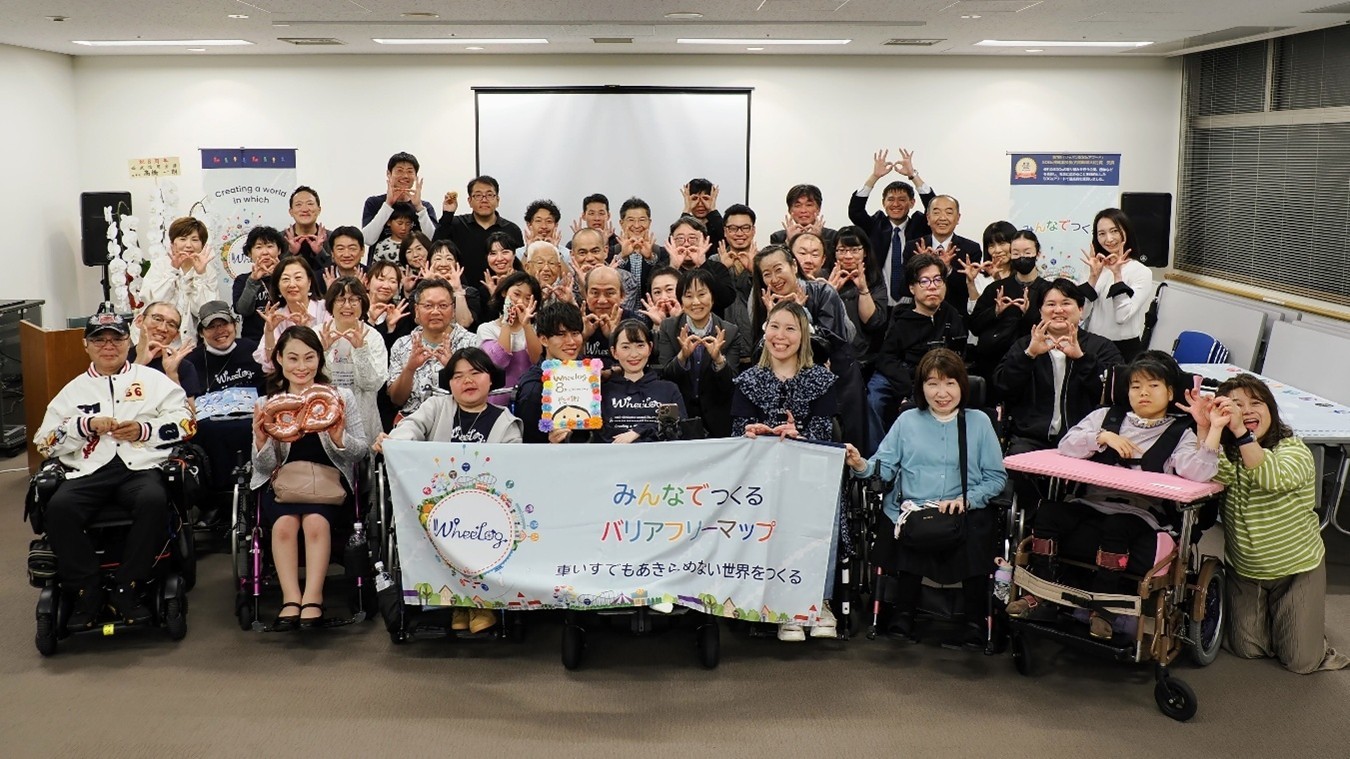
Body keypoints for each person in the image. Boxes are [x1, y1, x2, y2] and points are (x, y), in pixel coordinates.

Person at [1007, 355, 1221, 640]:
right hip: (1091, 503)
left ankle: (1104, 610)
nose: (1143, 392)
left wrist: (1210, 429)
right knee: (1048, 512)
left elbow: (1198, 473)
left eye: (1153, 385)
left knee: (1117, 526)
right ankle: (1041, 593)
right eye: (1135, 386)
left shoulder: (1179, 433)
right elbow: (1066, 445)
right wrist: (1102, 437)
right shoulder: (1105, 417)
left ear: (1170, 393)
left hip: (1139, 512)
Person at [35, 311, 193, 628]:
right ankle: (87, 588)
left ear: (128, 342)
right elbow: (44, 442)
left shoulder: (152, 381)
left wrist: (143, 430)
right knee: (59, 508)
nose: (108, 346)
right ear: (86, 345)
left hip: (140, 466)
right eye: (99, 340)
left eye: (116, 339)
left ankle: (127, 585)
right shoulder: (73, 391)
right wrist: (83, 426)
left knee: (153, 500)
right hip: (89, 469)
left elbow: (186, 423)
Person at [844, 348, 1007, 645]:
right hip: (913, 508)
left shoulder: (980, 422)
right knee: (904, 525)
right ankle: (903, 613)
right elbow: (883, 468)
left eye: (949, 383)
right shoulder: (907, 421)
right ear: (921, 388)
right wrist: (859, 464)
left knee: (979, 527)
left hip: (963, 508)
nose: (941, 393)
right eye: (933, 384)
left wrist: (968, 499)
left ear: (962, 385)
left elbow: (996, 478)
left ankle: (974, 620)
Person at [1200, 374, 1348, 673]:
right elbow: (1207, 472)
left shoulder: (1294, 450)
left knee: (1301, 661)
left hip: (1296, 569)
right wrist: (1206, 426)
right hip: (1246, 570)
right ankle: (1284, 621)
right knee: (1246, 648)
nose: (1246, 411)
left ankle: (1303, 629)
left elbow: (1270, 478)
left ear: (1271, 408)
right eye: (1236, 405)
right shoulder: (1230, 453)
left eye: (1256, 403)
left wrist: (1241, 432)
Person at [374, 346, 523, 634]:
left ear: (490, 379)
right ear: (450, 383)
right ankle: (461, 602)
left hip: (486, 508)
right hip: (435, 505)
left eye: (475, 373)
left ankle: (477, 602)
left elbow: (511, 469)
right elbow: (411, 427)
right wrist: (393, 441)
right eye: (458, 376)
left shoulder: (506, 422)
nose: (467, 380)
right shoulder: (436, 407)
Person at [731, 301, 839, 641]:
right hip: (763, 475)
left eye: (790, 328)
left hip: (809, 473)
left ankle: (819, 601)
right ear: (765, 333)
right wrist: (753, 433)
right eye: (774, 327)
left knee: (826, 506)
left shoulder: (821, 379)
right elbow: (736, 436)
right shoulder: (748, 380)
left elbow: (824, 435)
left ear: (803, 335)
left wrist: (799, 435)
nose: (781, 336)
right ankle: (784, 606)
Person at [251, 326, 367, 630]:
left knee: (315, 521)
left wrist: (340, 439)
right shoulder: (267, 404)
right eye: (293, 358)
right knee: (284, 525)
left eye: (309, 357)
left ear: (319, 359)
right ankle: (291, 599)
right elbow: (262, 466)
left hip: (330, 484)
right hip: (283, 484)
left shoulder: (340, 397)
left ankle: (313, 597)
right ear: (279, 359)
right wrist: (262, 443)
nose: (301, 366)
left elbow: (360, 452)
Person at [751, 242, 863, 447]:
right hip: (783, 385)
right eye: (767, 274)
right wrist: (771, 320)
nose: (774, 279)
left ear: (794, 266)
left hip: (834, 379)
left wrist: (800, 315)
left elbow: (830, 343)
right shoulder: (764, 300)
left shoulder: (823, 292)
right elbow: (759, 352)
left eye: (778, 269)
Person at [995, 278, 1124, 455]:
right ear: (1040, 311)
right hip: (1029, 437)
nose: (1058, 310)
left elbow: (1113, 394)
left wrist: (1082, 359)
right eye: (1050, 304)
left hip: (1084, 438)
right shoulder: (1024, 345)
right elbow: (1003, 388)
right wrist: (1029, 355)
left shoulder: (1102, 347)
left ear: (1081, 309)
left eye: (1066, 303)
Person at [865, 254, 967, 456]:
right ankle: (878, 457)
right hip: (902, 372)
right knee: (873, 399)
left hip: (937, 376)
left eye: (937, 280)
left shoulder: (951, 315)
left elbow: (958, 354)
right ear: (912, 288)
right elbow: (887, 358)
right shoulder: (901, 317)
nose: (932, 287)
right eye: (924, 281)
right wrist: (908, 386)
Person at [185, 300, 264, 502]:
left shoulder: (254, 350)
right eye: (211, 326)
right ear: (201, 332)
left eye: (224, 324)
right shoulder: (191, 361)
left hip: (252, 420)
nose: (220, 331)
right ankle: (214, 500)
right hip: (210, 428)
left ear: (234, 325)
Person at [655, 268, 745, 438]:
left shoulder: (730, 332)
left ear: (712, 297)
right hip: (679, 417)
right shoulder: (668, 327)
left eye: (702, 294)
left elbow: (730, 385)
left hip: (718, 419)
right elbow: (665, 377)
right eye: (688, 296)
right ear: (681, 300)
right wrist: (682, 356)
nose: (695, 302)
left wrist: (718, 359)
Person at [848, 148, 936, 307]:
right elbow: (855, 211)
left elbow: (934, 207)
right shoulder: (875, 225)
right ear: (883, 203)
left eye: (902, 199)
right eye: (890, 199)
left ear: (912, 203)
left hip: (913, 303)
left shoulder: (919, 225)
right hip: (877, 302)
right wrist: (874, 177)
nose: (896, 204)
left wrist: (913, 175)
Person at [387, 278, 481, 417]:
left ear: (453, 310)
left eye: (443, 305)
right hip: (413, 420)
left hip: (459, 419)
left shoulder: (472, 343)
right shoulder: (402, 344)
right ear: (417, 310)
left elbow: (480, 394)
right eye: (428, 306)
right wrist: (410, 368)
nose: (435, 312)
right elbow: (397, 399)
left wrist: (452, 368)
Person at [967, 228, 1052, 383]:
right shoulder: (996, 288)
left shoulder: (1048, 290)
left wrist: (1028, 313)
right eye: (1016, 253)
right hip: (993, 364)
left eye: (1027, 252)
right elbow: (974, 325)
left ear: (1037, 253)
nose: (1022, 257)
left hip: (1035, 365)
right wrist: (995, 311)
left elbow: (1053, 328)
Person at [1082, 207, 1154, 361]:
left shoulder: (1141, 272)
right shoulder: (1094, 267)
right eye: (1102, 234)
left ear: (1126, 231)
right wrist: (1093, 277)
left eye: (1114, 231)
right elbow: (1081, 314)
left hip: (1124, 348)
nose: (1108, 239)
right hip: (1092, 344)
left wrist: (1117, 275)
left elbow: (1122, 316)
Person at [516, 301, 591, 444]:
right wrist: (549, 444)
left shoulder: (589, 372)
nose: (571, 341)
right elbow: (529, 446)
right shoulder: (533, 389)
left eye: (575, 333)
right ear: (544, 340)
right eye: (561, 335)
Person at [322, 277, 389, 439]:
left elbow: (373, 384)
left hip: (364, 419)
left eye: (353, 300)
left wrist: (360, 350)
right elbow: (314, 382)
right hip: (325, 417)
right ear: (331, 303)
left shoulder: (373, 337)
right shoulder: (318, 334)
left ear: (362, 303)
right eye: (340, 299)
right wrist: (324, 351)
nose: (347, 306)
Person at [602, 319, 688, 443]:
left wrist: (640, 431)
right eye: (625, 347)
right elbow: (600, 432)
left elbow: (679, 429)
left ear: (650, 348)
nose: (634, 354)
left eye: (640, 346)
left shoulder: (669, 390)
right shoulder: (603, 392)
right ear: (614, 352)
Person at [434, 175, 525, 289]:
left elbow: (519, 266)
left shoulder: (512, 229)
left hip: (501, 291)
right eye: (478, 195)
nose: (484, 200)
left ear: (497, 200)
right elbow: (435, 248)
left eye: (489, 195)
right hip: (463, 291)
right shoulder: (455, 224)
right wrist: (448, 214)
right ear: (469, 201)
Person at [899, 195, 983, 315]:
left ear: (958, 218)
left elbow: (968, 290)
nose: (942, 218)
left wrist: (947, 269)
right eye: (936, 213)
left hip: (957, 317)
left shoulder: (971, 249)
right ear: (928, 218)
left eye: (949, 213)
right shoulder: (913, 247)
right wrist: (920, 265)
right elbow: (903, 289)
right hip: (920, 317)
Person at [824, 225, 888, 374]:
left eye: (854, 250)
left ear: (865, 252)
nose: (848, 256)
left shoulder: (875, 279)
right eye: (842, 250)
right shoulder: (823, 276)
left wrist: (863, 289)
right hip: (828, 355)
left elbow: (873, 323)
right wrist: (830, 291)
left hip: (863, 358)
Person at [141, 216, 216, 340]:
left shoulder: (208, 271)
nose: (188, 245)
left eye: (195, 240)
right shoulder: (160, 265)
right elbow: (154, 303)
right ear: (172, 243)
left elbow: (204, 312)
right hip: (156, 336)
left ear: (202, 245)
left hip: (189, 341)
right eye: (183, 239)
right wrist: (173, 270)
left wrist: (200, 274)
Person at [254, 256, 331, 371]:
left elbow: (332, 355)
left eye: (298, 278)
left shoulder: (326, 309)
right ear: (278, 286)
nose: (292, 284)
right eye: (285, 279)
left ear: (309, 282)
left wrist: (306, 330)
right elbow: (270, 364)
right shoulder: (277, 317)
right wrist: (269, 332)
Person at [477, 271, 542, 403]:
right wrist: (507, 322)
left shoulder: (536, 328)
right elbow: (499, 362)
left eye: (527, 298)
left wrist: (526, 325)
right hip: (497, 400)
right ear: (504, 292)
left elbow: (537, 361)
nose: (520, 302)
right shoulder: (486, 329)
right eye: (516, 294)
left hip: (529, 398)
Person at [361, 151, 437, 247]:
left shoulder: (425, 207)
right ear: (389, 174)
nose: (405, 176)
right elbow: (368, 239)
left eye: (410, 171)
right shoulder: (374, 203)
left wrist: (419, 207)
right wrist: (388, 204)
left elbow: (433, 240)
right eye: (399, 171)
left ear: (415, 176)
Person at [132, 301, 203, 401]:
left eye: (171, 325)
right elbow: (112, 401)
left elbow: (190, 410)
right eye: (157, 319)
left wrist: (172, 375)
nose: (162, 328)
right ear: (139, 321)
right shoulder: (118, 358)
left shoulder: (183, 367)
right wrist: (139, 364)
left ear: (176, 335)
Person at [580, 266, 639, 371]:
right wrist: (582, 337)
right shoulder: (576, 320)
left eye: (610, 293)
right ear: (586, 294)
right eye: (595, 293)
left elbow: (638, 363)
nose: (602, 300)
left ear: (622, 296)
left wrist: (614, 336)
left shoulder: (635, 323)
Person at [234, 225, 284, 340]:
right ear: (249, 253)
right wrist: (253, 280)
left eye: (270, 246)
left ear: (279, 250)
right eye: (259, 247)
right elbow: (243, 310)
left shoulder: (288, 277)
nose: (265, 252)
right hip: (253, 340)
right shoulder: (242, 280)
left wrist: (280, 275)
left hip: (284, 336)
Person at [960, 220, 1017, 316]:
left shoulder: (1022, 274)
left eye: (1002, 243)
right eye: (991, 246)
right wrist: (971, 283)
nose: (997, 250)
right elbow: (974, 312)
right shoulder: (979, 277)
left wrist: (998, 279)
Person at [426, 240, 485, 329]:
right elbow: (420, 320)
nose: (443, 264)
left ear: (457, 264)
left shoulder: (470, 293)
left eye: (449, 259)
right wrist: (428, 286)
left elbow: (464, 323)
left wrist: (458, 290)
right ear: (429, 263)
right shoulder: (417, 293)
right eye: (438, 259)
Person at [769, 184, 837, 255]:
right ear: (790, 210)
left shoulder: (833, 236)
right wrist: (790, 242)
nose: (803, 210)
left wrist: (817, 239)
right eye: (797, 206)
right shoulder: (778, 237)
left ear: (818, 209)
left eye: (809, 205)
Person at [365, 260, 412, 349]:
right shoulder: (356, 311)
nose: (386, 286)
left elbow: (396, 352)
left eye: (393, 281)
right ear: (367, 283)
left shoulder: (399, 317)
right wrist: (371, 321)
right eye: (381, 279)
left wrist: (390, 328)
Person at [282, 186, 330, 274]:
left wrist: (320, 252)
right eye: (298, 205)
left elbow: (338, 270)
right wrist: (291, 253)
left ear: (319, 210)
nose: (304, 209)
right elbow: (275, 273)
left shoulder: (332, 238)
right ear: (291, 212)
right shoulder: (280, 239)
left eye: (310, 204)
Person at [367, 202, 422, 268]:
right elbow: (376, 270)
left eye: (408, 224)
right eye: (400, 223)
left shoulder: (417, 243)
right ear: (389, 222)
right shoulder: (381, 246)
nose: (404, 228)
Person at [482, 230, 525, 312]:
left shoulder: (526, 282)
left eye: (505, 252)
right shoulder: (485, 288)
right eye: (493, 253)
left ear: (514, 254)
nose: (499, 258)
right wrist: (494, 296)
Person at [568, 193, 620, 258]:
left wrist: (604, 242)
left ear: (608, 216)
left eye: (601, 213)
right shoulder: (572, 244)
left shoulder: (618, 243)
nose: (597, 218)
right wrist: (579, 238)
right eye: (592, 213)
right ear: (583, 216)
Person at [682, 178, 724, 252]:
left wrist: (712, 209)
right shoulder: (685, 223)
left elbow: (728, 237)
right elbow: (672, 244)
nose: (700, 204)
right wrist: (687, 209)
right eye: (694, 199)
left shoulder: (717, 225)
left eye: (705, 198)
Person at [523, 241, 570, 306]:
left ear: (559, 268)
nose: (546, 268)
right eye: (540, 262)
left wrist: (568, 302)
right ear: (527, 267)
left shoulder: (563, 292)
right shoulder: (519, 291)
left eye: (552, 263)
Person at [322, 225, 366, 291]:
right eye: (340, 249)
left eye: (352, 248)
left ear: (362, 251)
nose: (346, 255)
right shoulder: (319, 278)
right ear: (332, 253)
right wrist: (331, 293)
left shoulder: (372, 276)